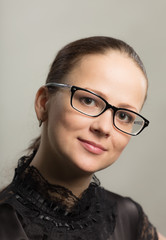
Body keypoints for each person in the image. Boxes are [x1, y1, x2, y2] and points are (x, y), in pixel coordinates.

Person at [0, 36, 165, 240]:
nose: (104, 127)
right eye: (88, 100)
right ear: (43, 103)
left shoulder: (130, 219)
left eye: (124, 116)